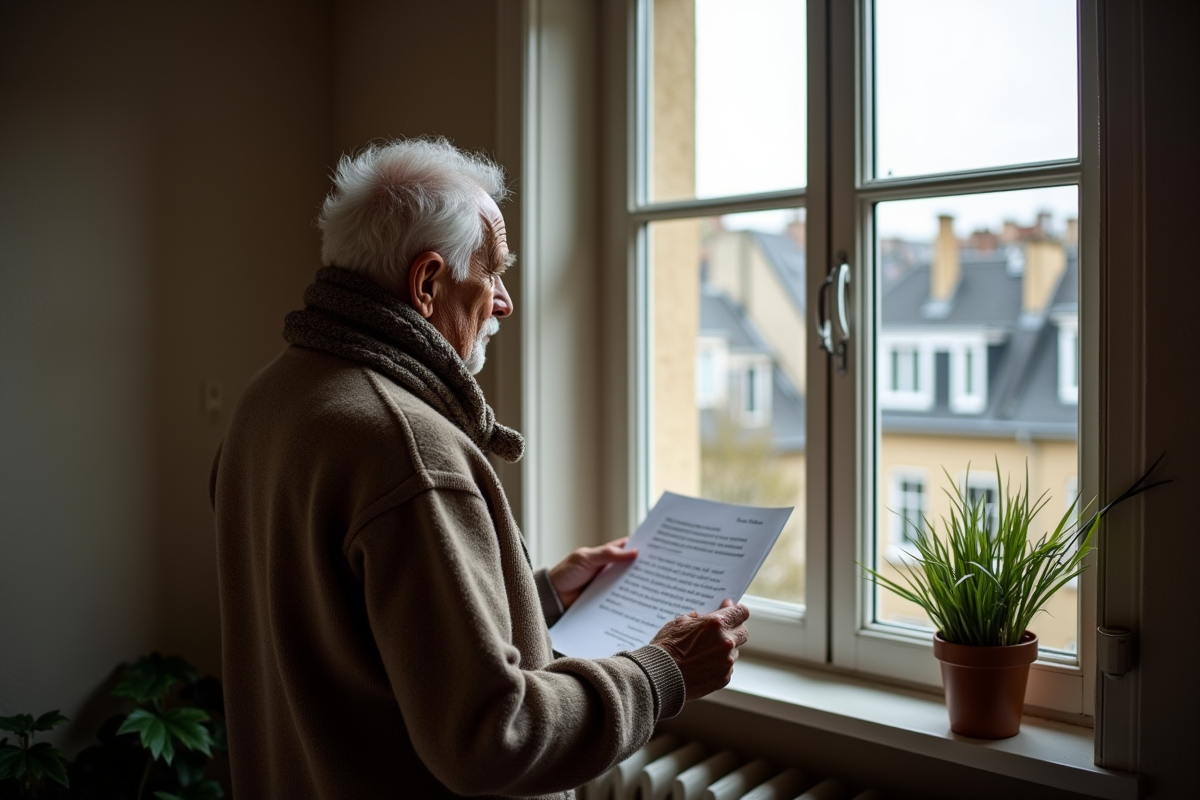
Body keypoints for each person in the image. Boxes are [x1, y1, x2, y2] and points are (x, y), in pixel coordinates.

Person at [210, 137, 750, 799]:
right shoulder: (407, 447)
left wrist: (539, 596)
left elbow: (361, 634)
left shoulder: (270, 400)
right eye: (492, 270)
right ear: (427, 283)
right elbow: (494, 737)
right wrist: (662, 671)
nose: (504, 301)